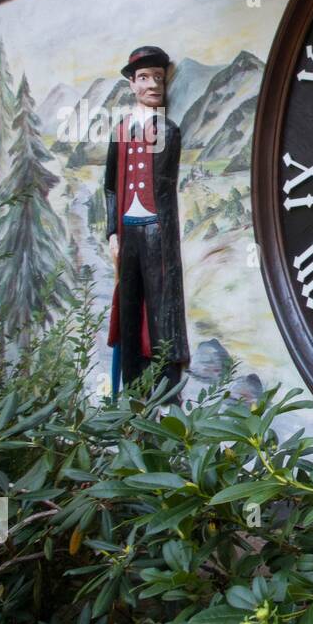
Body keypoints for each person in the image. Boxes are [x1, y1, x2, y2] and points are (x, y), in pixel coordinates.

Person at [103, 46, 189, 400]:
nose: (153, 84)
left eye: (158, 77)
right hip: (128, 229)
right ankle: (131, 386)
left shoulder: (168, 130)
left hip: (156, 228)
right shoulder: (120, 131)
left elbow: (168, 187)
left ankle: (167, 389)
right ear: (131, 83)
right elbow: (110, 185)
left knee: (160, 307)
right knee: (129, 304)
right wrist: (111, 231)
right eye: (144, 78)